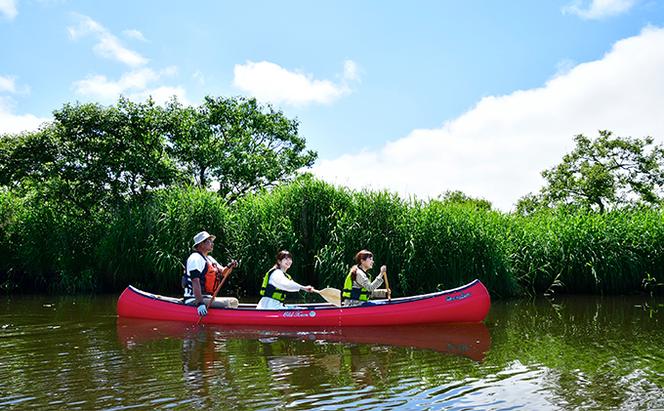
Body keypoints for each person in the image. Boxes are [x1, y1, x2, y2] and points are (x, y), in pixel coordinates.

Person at [183, 231, 239, 315]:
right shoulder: (195, 258)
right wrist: (200, 304)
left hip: (207, 298)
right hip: (194, 299)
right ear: (201, 244)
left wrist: (229, 266)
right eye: (209, 241)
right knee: (231, 303)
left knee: (234, 301)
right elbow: (195, 281)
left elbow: (223, 273)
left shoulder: (209, 258)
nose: (212, 244)